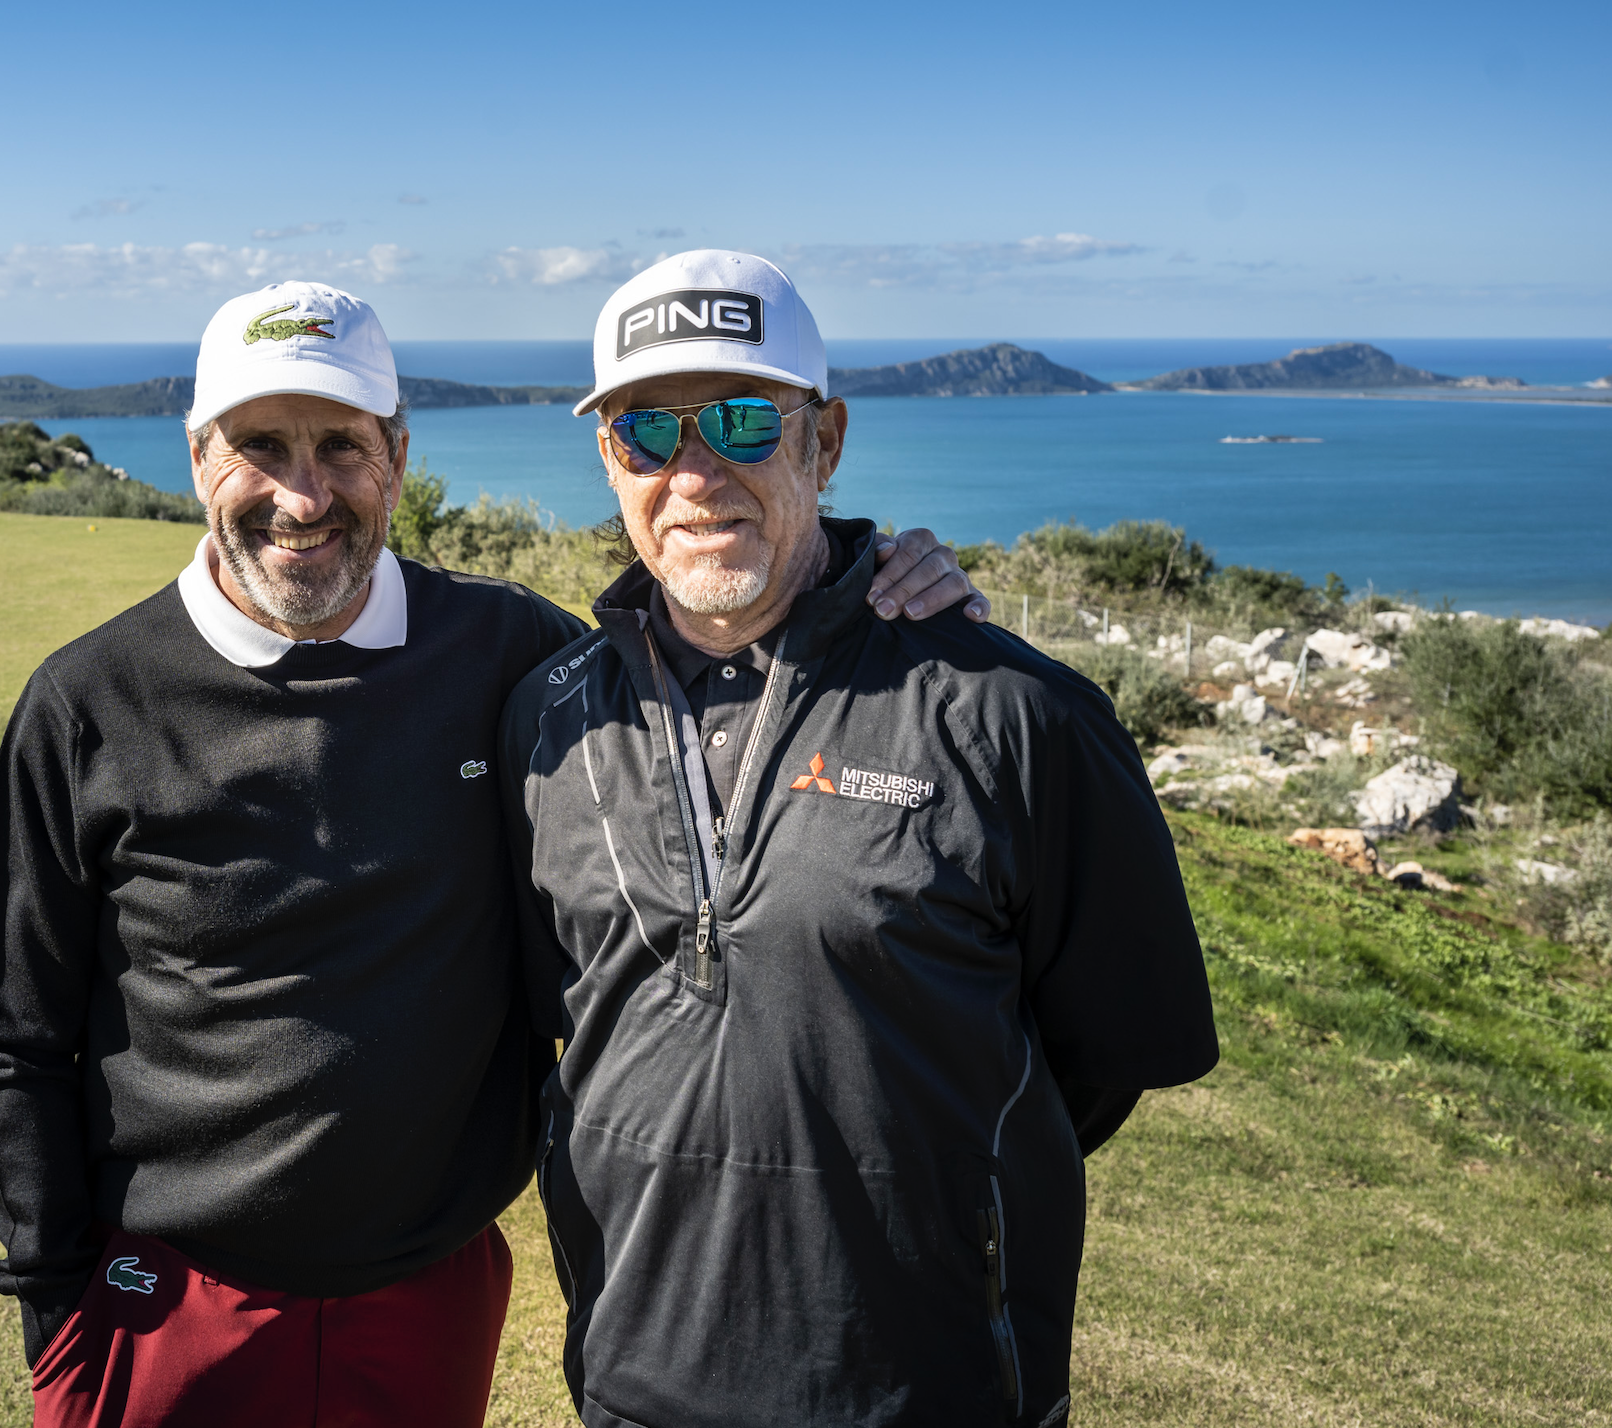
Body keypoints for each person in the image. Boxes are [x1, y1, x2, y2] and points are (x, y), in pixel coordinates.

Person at [0, 279, 986, 1428]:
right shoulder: (86, 700)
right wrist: (54, 1301)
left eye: (341, 446)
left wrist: (889, 592)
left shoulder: (510, 654)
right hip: (164, 1300)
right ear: (199, 457)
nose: (302, 496)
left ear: (395, 457)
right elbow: (19, 1024)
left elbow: (723, 657)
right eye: (260, 447)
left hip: (428, 1289)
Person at [499, 250, 1219, 1428]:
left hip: (933, 1391)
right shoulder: (547, 717)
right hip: (631, 1388)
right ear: (607, 460)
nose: (694, 473)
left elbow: (1101, 1059)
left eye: (740, 422)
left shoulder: (1011, 713)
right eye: (647, 434)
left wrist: (919, 1166)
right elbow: (562, 1023)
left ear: (821, 442)